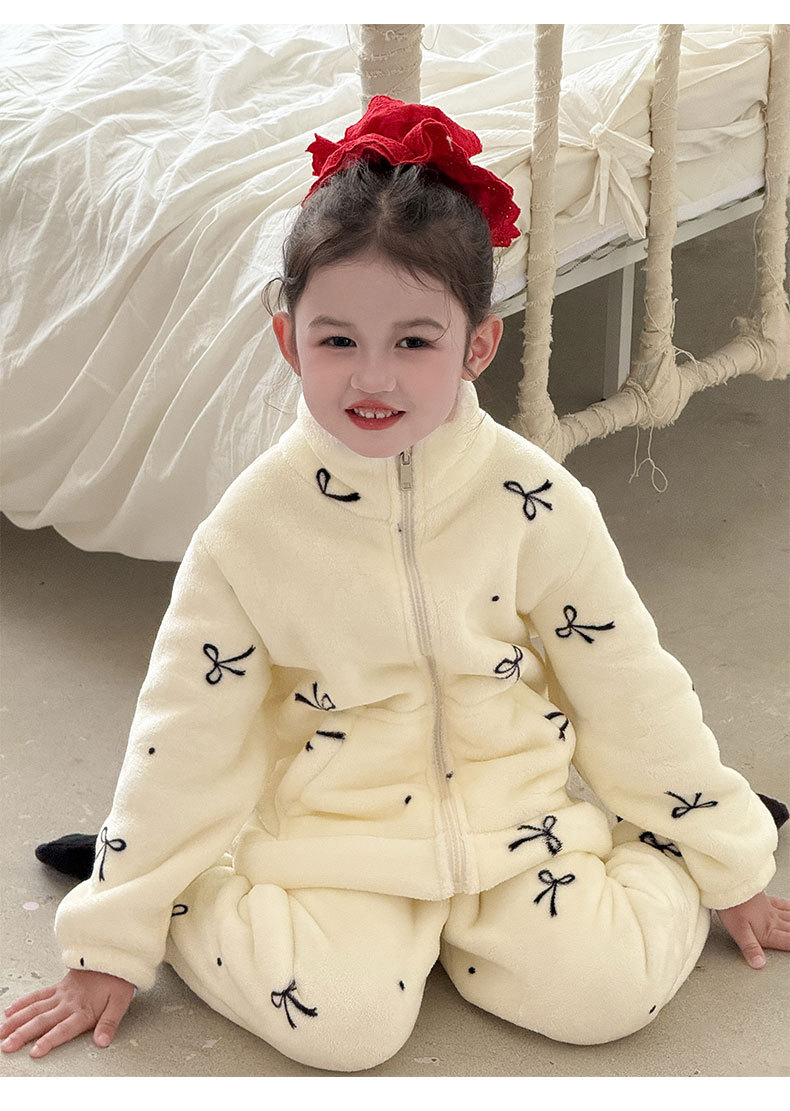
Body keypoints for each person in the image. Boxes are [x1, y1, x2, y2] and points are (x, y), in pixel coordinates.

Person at [2, 96, 788, 1072]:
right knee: (346, 1030)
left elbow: (628, 682)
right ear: (289, 340)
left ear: (476, 346)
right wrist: (113, 934)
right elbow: (186, 731)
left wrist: (726, 859)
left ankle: (668, 841)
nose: (372, 377)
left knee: (609, 994)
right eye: (337, 341)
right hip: (339, 838)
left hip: (520, 825)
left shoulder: (535, 500)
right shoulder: (250, 532)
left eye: (414, 342)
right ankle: (193, 885)